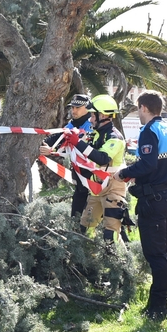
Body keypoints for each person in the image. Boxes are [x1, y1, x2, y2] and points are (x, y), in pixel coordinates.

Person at [113, 91, 167, 321]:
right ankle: (160, 302)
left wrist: (123, 173)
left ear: (143, 108)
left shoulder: (149, 130)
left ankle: (158, 308)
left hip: (154, 200)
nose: (138, 113)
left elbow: (148, 165)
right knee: (164, 251)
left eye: (137, 108)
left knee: (155, 254)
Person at [65, 95, 128, 243]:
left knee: (110, 234)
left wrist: (78, 143)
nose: (90, 119)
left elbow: (102, 158)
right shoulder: (96, 134)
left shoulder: (115, 137)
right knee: (84, 227)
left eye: (93, 115)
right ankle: (90, 258)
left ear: (104, 115)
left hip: (113, 188)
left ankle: (118, 262)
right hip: (97, 188)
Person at [39, 94, 93, 221]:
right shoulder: (72, 124)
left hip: (93, 177)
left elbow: (81, 149)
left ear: (87, 107)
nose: (73, 110)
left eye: (77, 108)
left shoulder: (90, 125)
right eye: (72, 107)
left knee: (106, 214)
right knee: (77, 213)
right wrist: (45, 143)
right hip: (80, 177)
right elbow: (59, 136)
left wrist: (52, 151)